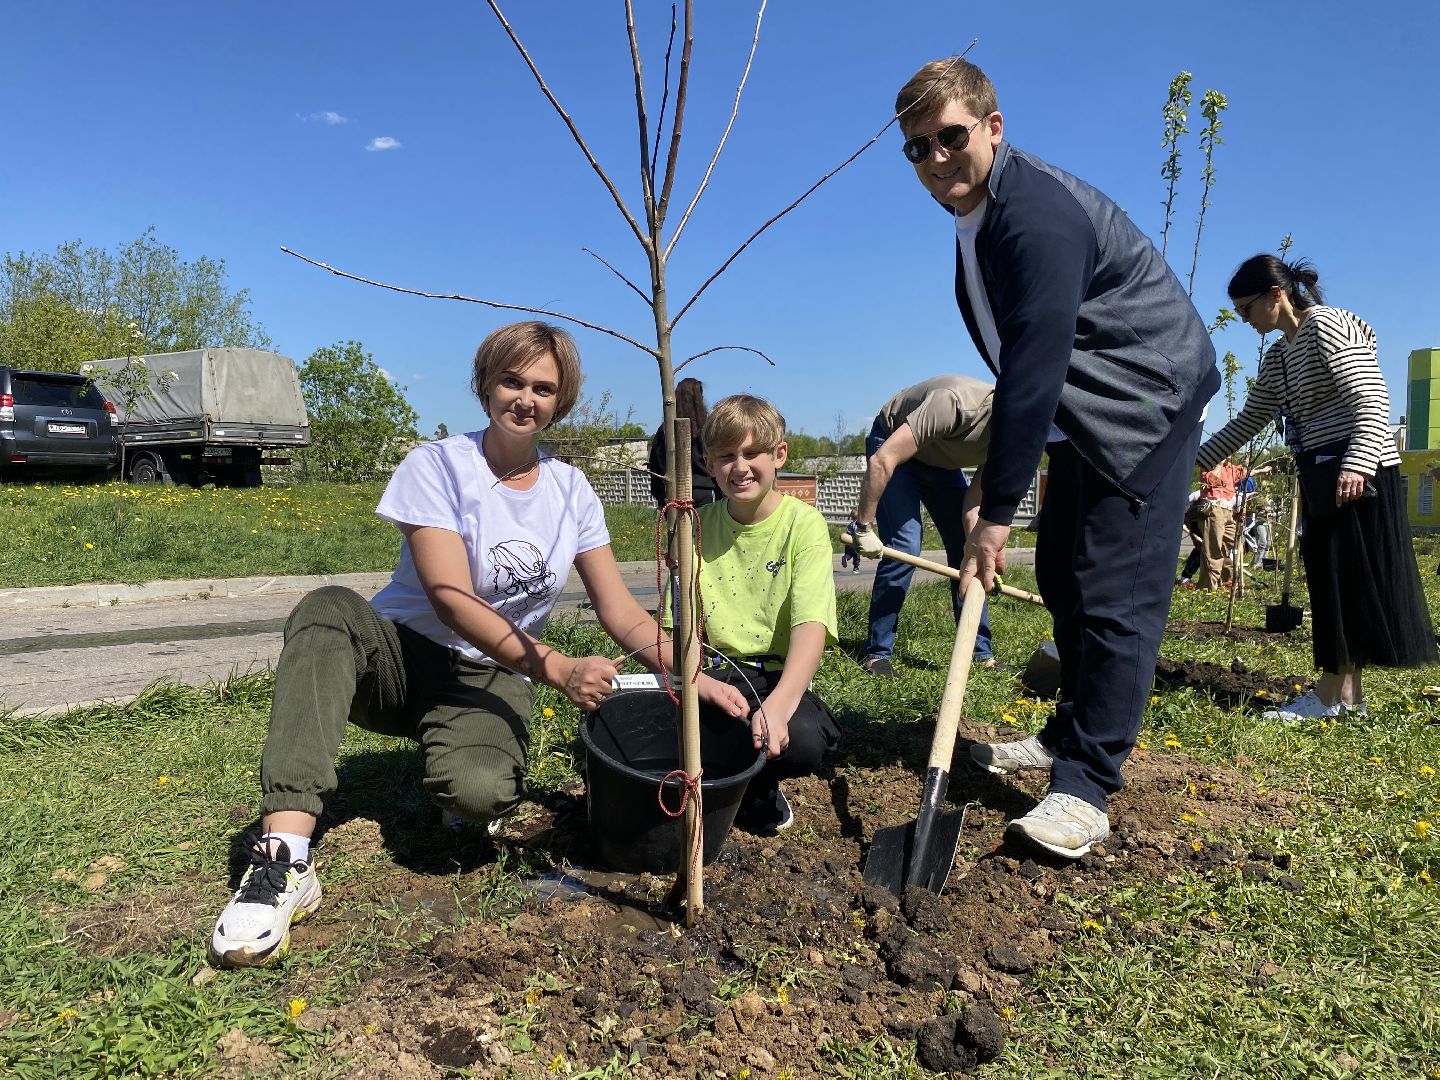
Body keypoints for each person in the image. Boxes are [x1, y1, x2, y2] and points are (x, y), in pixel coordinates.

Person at [209, 322, 749, 968]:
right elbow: (450, 597)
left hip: (490, 678)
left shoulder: (571, 491)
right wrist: (555, 667)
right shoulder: (436, 467)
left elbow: (622, 614)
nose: (525, 398)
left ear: (562, 399)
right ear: (486, 385)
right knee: (326, 610)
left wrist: (696, 678)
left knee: (478, 793)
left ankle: (456, 769)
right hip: (397, 661)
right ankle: (283, 860)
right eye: (512, 381)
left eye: (543, 388)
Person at [891, 58, 1221, 858]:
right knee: (1063, 579)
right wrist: (987, 482)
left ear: (992, 128)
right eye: (917, 148)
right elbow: (1024, 372)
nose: (937, 158)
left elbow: (1036, 364)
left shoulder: (1031, 215)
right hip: (1088, 415)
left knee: (1113, 594)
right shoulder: (982, 218)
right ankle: (1067, 730)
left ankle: (1084, 786)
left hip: (1143, 408)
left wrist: (995, 512)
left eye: (952, 136)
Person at [1198, 255, 1436, 719]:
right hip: (1324, 475)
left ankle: (1331, 698)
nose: (1244, 320)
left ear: (1275, 294)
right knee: (1335, 586)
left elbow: (1370, 397)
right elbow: (1250, 419)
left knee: (1344, 584)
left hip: (1356, 476)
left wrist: (1359, 463)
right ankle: (1346, 700)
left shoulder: (1326, 326)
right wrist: (1192, 461)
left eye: (1246, 309)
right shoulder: (1279, 354)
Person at [678, 393, 841, 834]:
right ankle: (720, 779)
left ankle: (760, 783)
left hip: (773, 675)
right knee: (672, 725)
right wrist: (703, 684)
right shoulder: (693, 527)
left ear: (780, 455)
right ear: (709, 464)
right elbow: (684, 630)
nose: (740, 466)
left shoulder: (803, 526)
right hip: (715, 673)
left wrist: (780, 706)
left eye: (753, 453)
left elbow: (811, 626)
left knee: (801, 741)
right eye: (726, 455)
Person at [846, 375, 997, 677]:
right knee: (905, 544)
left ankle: (980, 654)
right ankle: (877, 654)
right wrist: (863, 527)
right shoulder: (954, 404)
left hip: (941, 465)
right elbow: (882, 460)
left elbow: (973, 506)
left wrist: (978, 545)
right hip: (892, 444)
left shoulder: (1017, 441)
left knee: (968, 553)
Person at [1196, 457, 1273, 589]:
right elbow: (1211, 480)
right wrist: (1219, 464)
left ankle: (1224, 579)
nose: (1229, 456)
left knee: (1233, 542)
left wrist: (1262, 470)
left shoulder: (1232, 468)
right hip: (1214, 508)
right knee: (1213, 548)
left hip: (1229, 511)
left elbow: (1248, 472)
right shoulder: (1209, 466)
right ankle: (1207, 587)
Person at [648, 377, 720, 508]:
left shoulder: (664, 431)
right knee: (704, 528)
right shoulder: (707, 430)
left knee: (676, 529)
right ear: (700, 398)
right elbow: (718, 461)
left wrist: (660, 497)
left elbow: (655, 467)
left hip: (671, 496)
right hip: (704, 493)